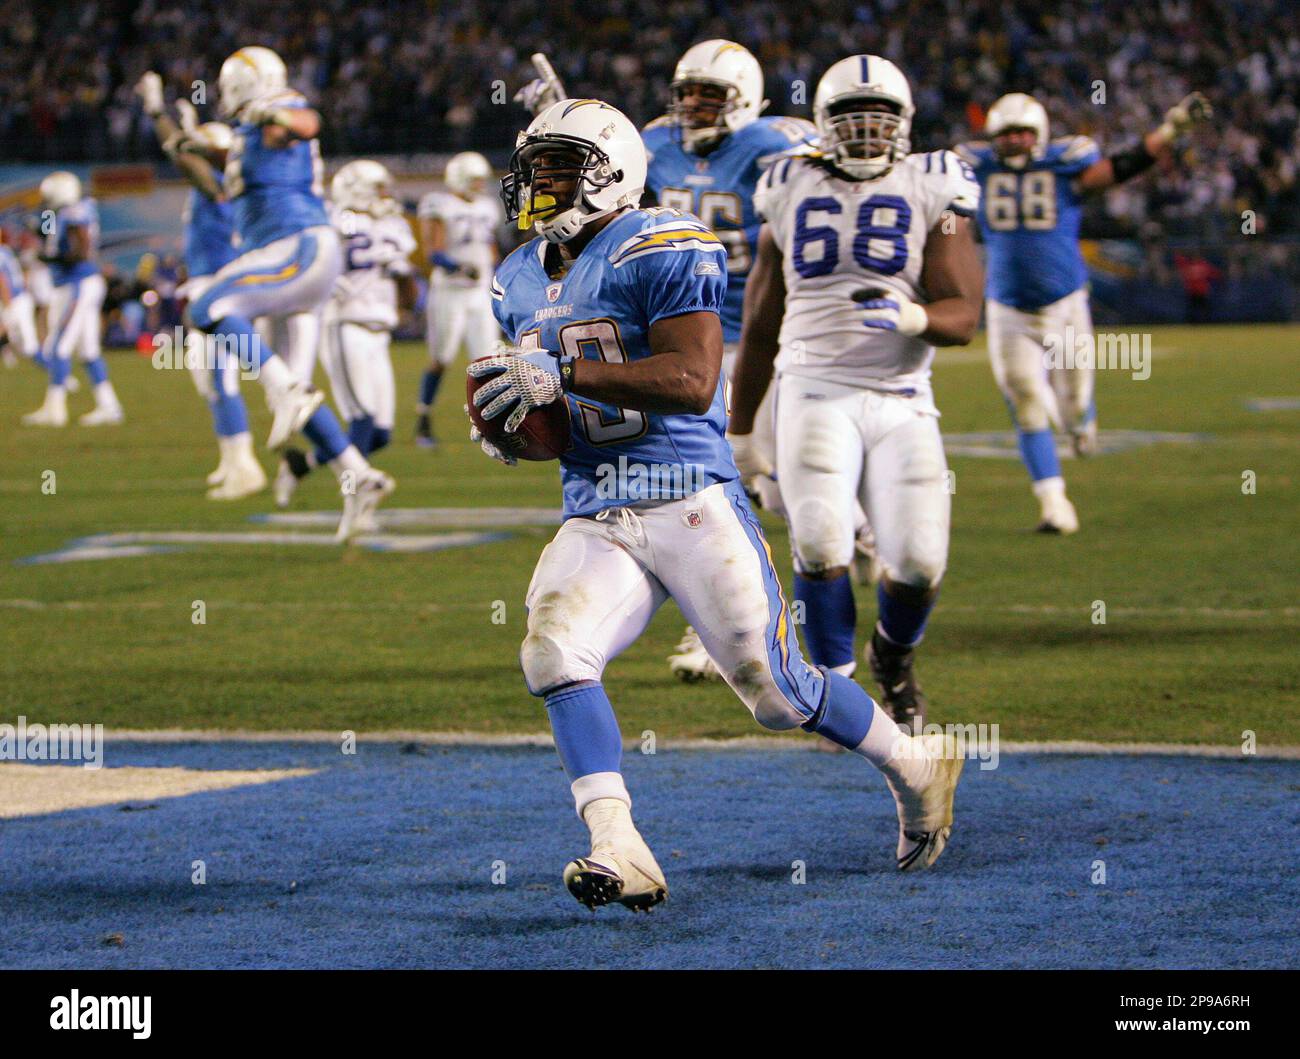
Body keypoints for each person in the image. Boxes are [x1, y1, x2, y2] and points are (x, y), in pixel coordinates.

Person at [467, 98, 964, 912]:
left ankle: (914, 765)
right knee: (553, 652)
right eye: (535, 167)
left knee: (778, 694)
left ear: (610, 173)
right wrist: (516, 428)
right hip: (596, 506)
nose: (538, 182)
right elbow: (545, 407)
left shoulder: (662, 243)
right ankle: (617, 845)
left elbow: (693, 379)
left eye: (558, 166)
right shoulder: (517, 275)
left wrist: (566, 375)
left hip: (689, 497)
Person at [956, 90, 1211, 533]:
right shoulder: (975, 170)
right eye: (1006, 133)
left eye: (1022, 132)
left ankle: (1081, 421)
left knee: (1072, 404)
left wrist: (1171, 130)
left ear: (1039, 134)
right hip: (1007, 308)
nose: (1015, 140)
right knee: (1027, 399)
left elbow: (1121, 167)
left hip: (1066, 304)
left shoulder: (1064, 168)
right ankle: (1054, 503)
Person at [185, 46, 394, 540]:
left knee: (207, 306)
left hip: (296, 247)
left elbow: (304, 123)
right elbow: (227, 163)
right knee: (297, 397)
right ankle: (358, 475)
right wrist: (181, 138)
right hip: (290, 260)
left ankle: (284, 389)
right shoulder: (244, 136)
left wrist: (271, 111)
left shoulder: (278, 109)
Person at [414, 151, 502, 447]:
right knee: (442, 358)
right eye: (475, 180)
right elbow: (433, 252)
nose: (480, 185)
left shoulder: (488, 207)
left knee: (487, 359)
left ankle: (489, 424)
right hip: (450, 291)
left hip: (479, 291)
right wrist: (459, 267)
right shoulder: (441, 205)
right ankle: (423, 420)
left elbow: (490, 249)